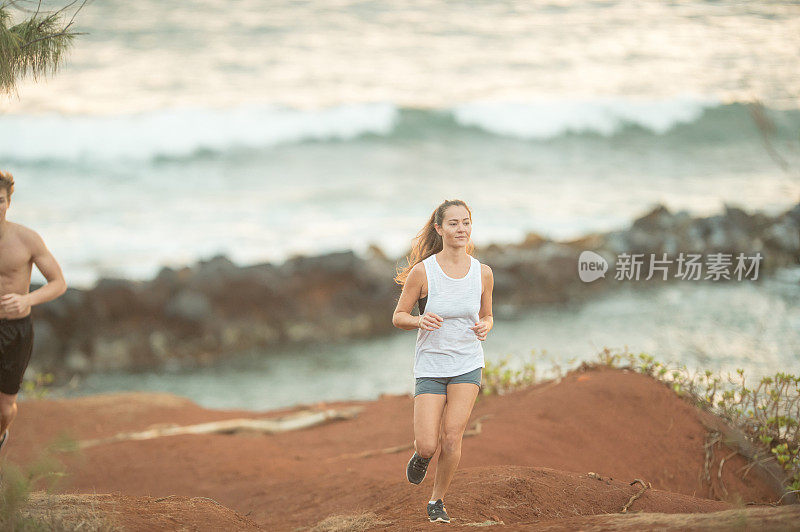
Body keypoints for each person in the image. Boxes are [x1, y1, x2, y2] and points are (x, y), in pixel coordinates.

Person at [392, 199, 494, 524]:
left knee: (452, 436)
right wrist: (418, 321)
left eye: (466, 222)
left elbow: (488, 315)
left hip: (467, 363)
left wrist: (486, 325)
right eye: (453, 223)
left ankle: (437, 500)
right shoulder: (423, 272)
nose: (461, 228)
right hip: (431, 366)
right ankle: (422, 457)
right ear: (439, 228)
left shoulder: (483, 272)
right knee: (427, 444)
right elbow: (398, 317)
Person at [0, 170, 67, 454]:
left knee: (4, 408)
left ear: (8, 202)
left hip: (16, 330)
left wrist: (28, 300)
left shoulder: (26, 239)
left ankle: (1, 434)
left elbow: (59, 283)